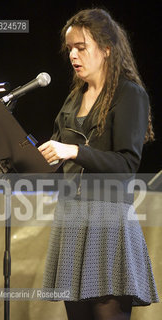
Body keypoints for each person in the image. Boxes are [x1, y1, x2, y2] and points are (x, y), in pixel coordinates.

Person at [38, 8, 159, 320]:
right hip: (72, 221)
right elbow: (56, 158)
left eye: (82, 47)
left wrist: (74, 151)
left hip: (109, 224)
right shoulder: (73, 99)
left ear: (106, 49)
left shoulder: (128, 94)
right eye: (70, 49)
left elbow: (126, 163)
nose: (74, 56)